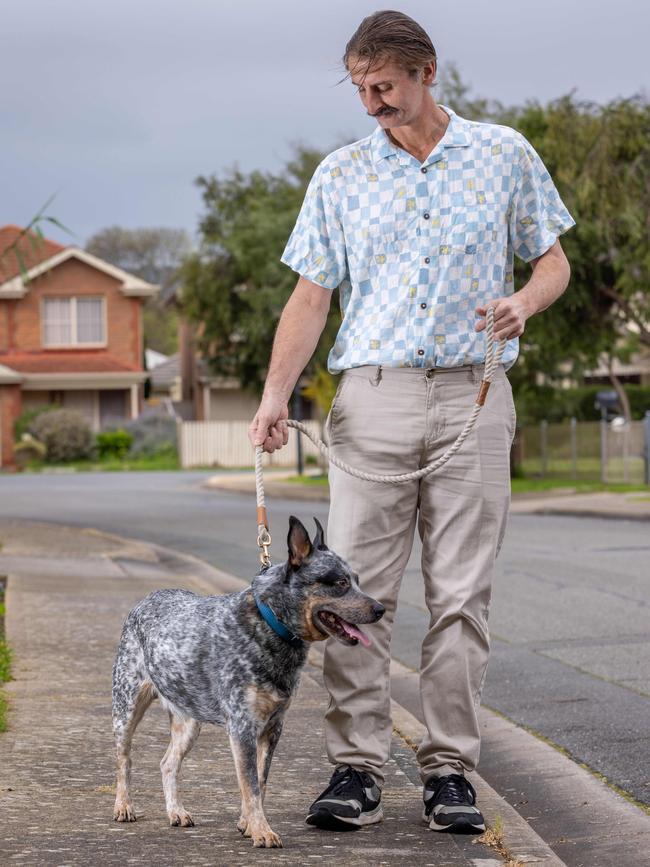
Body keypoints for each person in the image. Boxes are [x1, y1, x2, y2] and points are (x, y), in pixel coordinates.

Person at [248, 10, 574, 835]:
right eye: (359, 89)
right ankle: (356, 769)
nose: (370, 103)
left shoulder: (503, 154)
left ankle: (449, 772)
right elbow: (311, 295)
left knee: (463, 595)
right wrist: (274, 394)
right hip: (374, 396)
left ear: (427, 71)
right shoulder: (341, 174)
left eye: (383, 86)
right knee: (358, 593)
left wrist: (525, 301)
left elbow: (553, 260)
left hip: (475, 392)